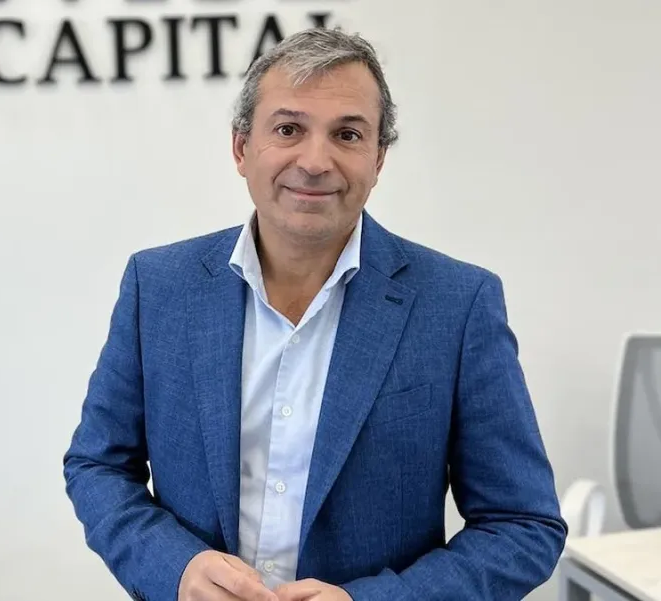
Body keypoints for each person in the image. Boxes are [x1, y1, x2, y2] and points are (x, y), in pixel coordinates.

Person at [62, 27, 567, 601]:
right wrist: (176, 569)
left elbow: (522, 526)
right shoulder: (158, 287)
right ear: (241, 148)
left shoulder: (457, 304)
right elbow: (98, 466)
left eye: (347, 134)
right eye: (288, 129)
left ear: (378, 159)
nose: (315, 161)